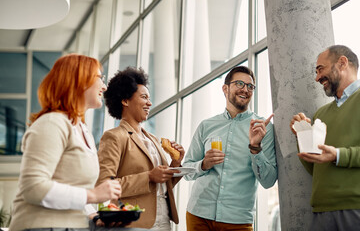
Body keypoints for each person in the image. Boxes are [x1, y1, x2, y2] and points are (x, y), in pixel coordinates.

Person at [9, 54, 122, 231]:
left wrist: (95, 216)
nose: (104, 86)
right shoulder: (52, 123)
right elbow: (33, 187)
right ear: (79, 81)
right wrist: (92, 195)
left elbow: (75, 191)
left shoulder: (83, 131)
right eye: (99, 78)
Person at [183, 66, 277, 231]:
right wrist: (203, 164)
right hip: (198, 214)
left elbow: (269, 181)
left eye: (250, 86)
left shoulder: (264, 129)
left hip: (238, 221)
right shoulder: (207, 126)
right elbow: (186, 171)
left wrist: (256, 148)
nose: (245, 89)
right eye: (240, 83)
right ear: (225, 88)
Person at [96, 67, 184, 230]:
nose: (149, 103)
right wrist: (149, 176)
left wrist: (176, 164)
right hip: (134, 222)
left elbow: (163, 185)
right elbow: (104, 184)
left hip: (164, 220)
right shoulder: (114, 137)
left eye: (149, 98)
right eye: (144, 97)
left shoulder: (153, 139)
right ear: (125, 100)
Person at [290, 45, 360, 230]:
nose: (317, 77)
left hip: (355, 208)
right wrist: (302, 136)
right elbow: (314, 167)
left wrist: (337, 155)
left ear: (342, 63)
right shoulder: (321, 114)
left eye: (320, 69)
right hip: (321, 211)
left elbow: (333, 156)